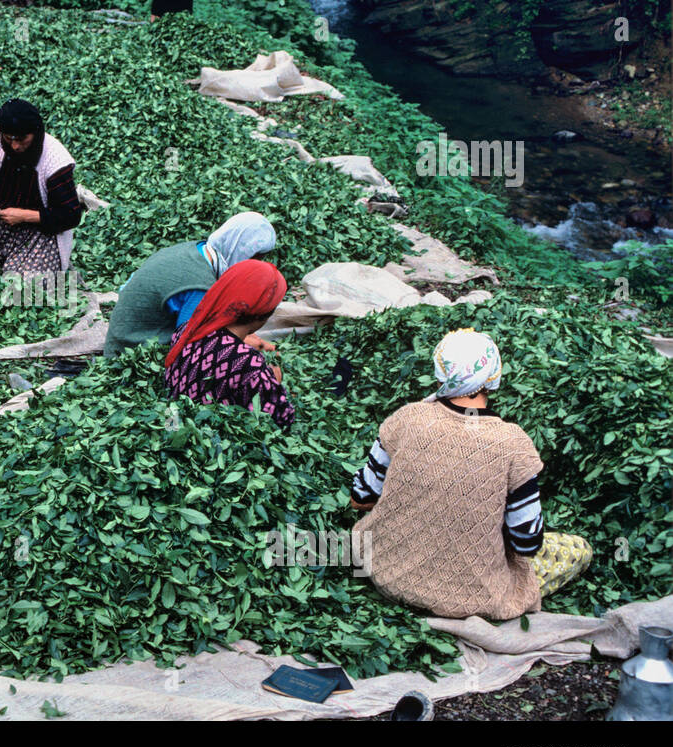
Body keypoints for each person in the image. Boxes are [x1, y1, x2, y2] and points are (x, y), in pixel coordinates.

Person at [350, 329, 594, 620]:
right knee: (579, 549)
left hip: (382, 572)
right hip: (468, 595)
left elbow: (360, 498)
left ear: (440, 375)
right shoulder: (512, 444)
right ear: (493, 378)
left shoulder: (406, 418)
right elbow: (527, 542)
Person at [104, 211, 278, 357]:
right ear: (239, 250)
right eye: (255, 259)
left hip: (123, 331)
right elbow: (191, 345)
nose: (255, 267)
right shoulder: (200, 287)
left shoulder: (196, 249)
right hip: (129, 351)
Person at [163, 259, 294, 429]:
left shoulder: (189, 327)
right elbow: (281, 420)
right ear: (262, 316)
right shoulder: (247, 363)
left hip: (173, 424)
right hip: (207, 442)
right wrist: (275, 382)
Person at [0, 99, 85, 274]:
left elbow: (70, 215)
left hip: (42, 232)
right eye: (9, 139)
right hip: (1, 222)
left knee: (22, 288)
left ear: (36, 132)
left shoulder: (55, 162)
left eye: (22, 139)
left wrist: (25, 216)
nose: (15, 146)